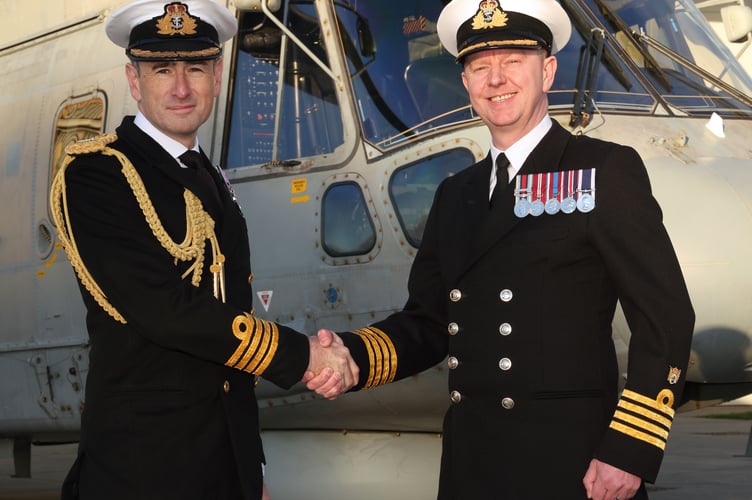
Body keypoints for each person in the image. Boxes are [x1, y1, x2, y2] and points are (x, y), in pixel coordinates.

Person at [305, 0, 694, 498]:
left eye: (513, 61)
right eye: (480, 66)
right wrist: (352, 355)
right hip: (474, 464)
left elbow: (665, 315)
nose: (496, 79)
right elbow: (427, 323)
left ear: (547, 71)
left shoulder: (602, 171)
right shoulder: (455, 194)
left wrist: (630, 448)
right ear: (465, 83)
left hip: (572, 465)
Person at [50, 1, 356, 499]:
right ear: (134, 79)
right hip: (144, 470)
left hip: (220, 466)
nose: (180, 87)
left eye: (195, 68)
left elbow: (227, 336)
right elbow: (163, 309)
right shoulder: (98, 174)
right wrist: (302, 355)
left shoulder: (207, 175)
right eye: (162, 69)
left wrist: (248, 468)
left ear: (217, 75)